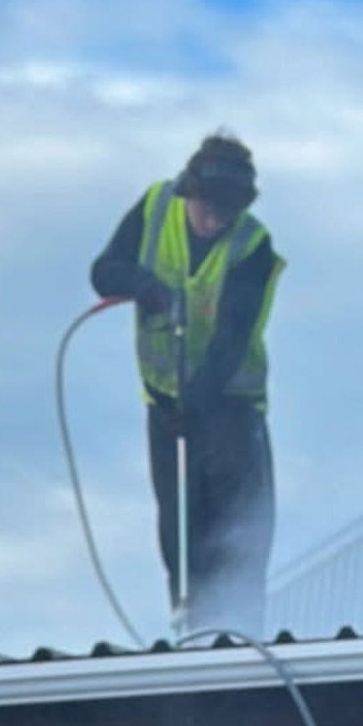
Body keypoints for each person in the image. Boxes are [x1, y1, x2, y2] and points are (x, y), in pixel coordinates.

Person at [89, 132, 283, 636]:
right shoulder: (156, 208)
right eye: (207, 210)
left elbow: (230, 343)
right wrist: (143, 284)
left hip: (230, 409)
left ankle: (239, 636)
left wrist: (194, 406)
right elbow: (104, 272)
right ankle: (192, 635)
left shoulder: (252, 247)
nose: (214, 222)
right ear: (189, 192)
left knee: (237, 534)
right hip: (165, 407)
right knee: (181, 531)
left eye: (226, 214)